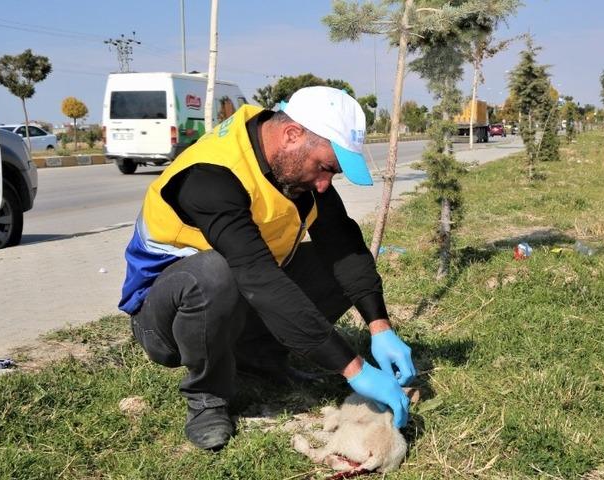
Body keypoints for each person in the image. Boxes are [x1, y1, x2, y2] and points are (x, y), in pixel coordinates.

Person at [118, 86, 415, 451]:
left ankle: (258, 355)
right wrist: (354, 368)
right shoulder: (211, 175)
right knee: (215, 274)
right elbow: (259, 277)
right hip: (163, 319)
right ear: (292, 134)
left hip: (237, 296)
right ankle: (207, 397)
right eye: (325, 168)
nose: (325, 183)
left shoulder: (290, 166)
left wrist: (378, 325)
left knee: (334, 263)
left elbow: (344, 244)